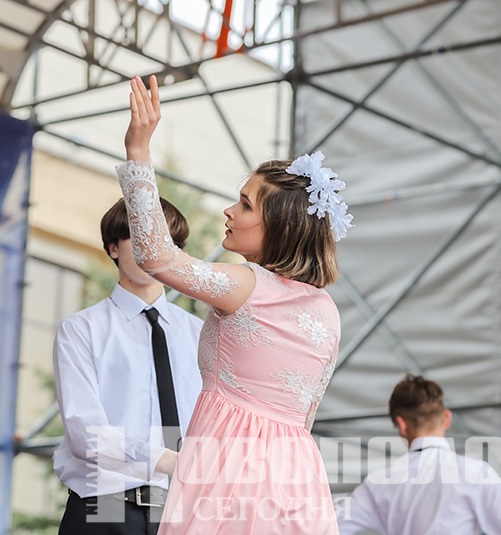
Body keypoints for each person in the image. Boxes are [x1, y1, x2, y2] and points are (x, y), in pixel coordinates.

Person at [115, 75, 355, 534]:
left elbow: (157, 257)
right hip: (297, 477)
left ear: (278, 227)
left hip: (230, 466)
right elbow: (304, 414)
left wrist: (138, 151)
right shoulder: (327, 309)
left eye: (244, 205)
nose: (230, 211)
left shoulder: (246, 283)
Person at [53, 197, 204, 534]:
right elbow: (85, 432)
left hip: (182, 511)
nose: (153, 251)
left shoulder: (200, 335)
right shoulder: (82, 330)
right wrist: (167, 461)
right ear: (113, 248)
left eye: (165, 242)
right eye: (141, 239)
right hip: (104, 504)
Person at [336, 374, 501, 535]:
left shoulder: (378, 483)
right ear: (447, 418)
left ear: (401, 424)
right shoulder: (477, 474)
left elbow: (329, 525)